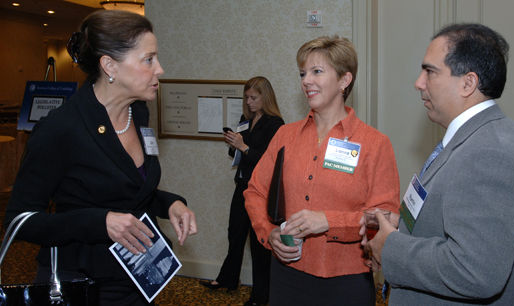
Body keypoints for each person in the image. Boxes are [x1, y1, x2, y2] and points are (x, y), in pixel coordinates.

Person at [4, 10, 197, 306]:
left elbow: (128, 187)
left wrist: (169, 202)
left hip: (136, 277)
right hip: (80, 284)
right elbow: (20, 220)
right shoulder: (61, 128)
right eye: (149, 59)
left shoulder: (140, 113)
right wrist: (99, 222)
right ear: (110, 66)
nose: (159, 69)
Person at [364, 23, 514, 305]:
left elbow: (475, 270)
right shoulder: (474, 136)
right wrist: (403, 229)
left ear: (468, 83)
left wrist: (392, 248)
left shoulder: (490, 151)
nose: (418, 82)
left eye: (430, 72)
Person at [243, 36, 401, 306]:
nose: (306, 80)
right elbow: (255, 191)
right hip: (286, 274)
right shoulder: (285, 136)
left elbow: (387, 217)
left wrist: (329, 221)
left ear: (344, 80)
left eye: (317, 72)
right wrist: (268, 232)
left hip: (346, 280)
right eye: (303, 73)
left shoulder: (374, 144)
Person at [200, 76, 284, 306]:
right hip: (242, 185)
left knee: (259, 245)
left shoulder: (275, 124)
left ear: (264, 98)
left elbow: (270, 161)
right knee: (235, 234)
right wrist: (234, 145)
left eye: (253, 98)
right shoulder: (244, 120)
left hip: (262, 192)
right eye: (246, 97)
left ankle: (260, 296)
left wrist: (244, 146)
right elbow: (236, 156)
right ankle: (228, 278)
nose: (248, 102)